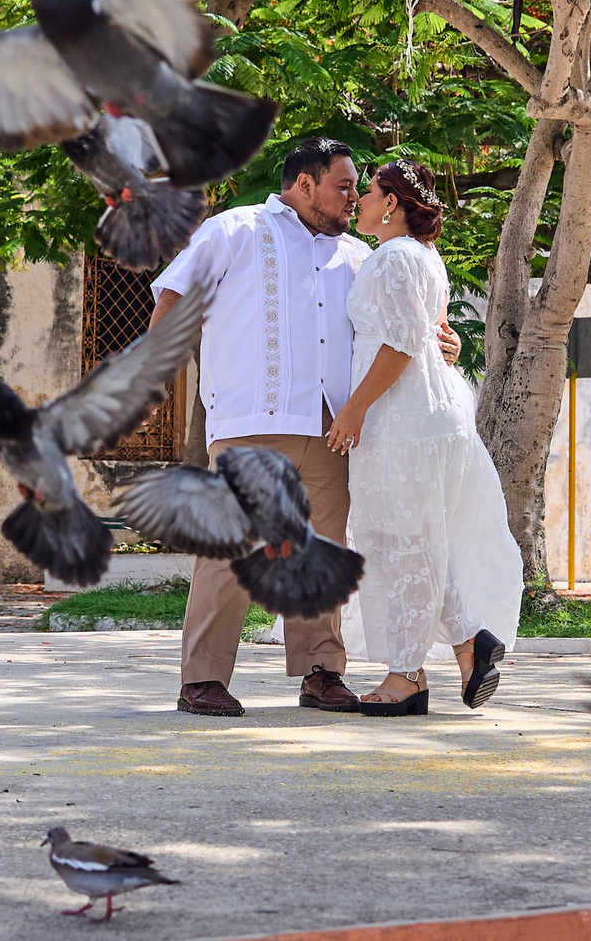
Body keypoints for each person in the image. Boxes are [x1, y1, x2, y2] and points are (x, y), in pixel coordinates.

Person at [147, 137, 460, 717]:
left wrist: (447, 339)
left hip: (333, 425)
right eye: (343, 186)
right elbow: (172, 296)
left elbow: (402, 326)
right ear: (304, 183)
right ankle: (203, 679)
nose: (352, 199)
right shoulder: (234, 230)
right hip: (250, 418)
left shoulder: (360, 257)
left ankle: (321, 672)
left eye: (355, 189)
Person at [325, 160, 520, 715]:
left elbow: (403, 343)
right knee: (416, 540)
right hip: (423, 414)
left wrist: (354, 409)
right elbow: (426, 335)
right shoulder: (421, 257)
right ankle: (468, 644)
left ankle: (407, 674)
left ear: (390, 203)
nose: (358, 201)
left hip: (401, 420)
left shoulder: (394, 257)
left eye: (366, 192)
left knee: (397, 544)